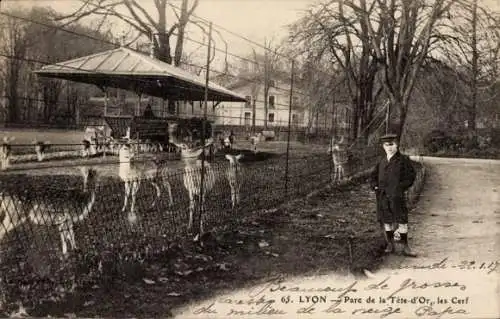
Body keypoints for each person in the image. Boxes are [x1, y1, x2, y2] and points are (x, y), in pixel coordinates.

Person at [370, 133, 417, 257]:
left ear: (397, 145)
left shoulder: (403, 160)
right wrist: (374, 186)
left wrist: (401, 187)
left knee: (401, 219)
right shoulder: (382, 161)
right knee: (387, 220)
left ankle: (405, 246)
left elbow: (411, 176)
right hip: (383, 196)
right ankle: (390, 244)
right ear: (383, 147)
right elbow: (373, 176)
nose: (389, 147)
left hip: (397, 196)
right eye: (386, 145)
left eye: (392, 145)